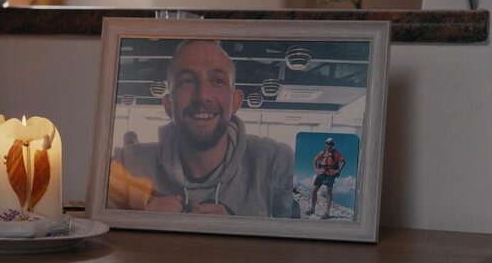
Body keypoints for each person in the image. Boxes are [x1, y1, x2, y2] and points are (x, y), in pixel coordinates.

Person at [108, 40, 296, 217]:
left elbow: (303, 234)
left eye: (217, 81)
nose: (203, 95)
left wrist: (236, 232)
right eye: (187, 81)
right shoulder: (126, 166)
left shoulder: (276, 162)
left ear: (235, 102)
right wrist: (141, 226)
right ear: (168, 105)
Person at [305, 137, 346, 219]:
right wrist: (316, 169)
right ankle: (312, 209)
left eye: (331, 144)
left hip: (330, 174)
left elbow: (344, 162)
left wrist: (338, 171)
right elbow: (315, 160)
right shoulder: (322, 153)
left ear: (333, 145)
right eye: (328, 143)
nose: (329, 145)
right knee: (314, 191)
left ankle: (327, 212)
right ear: (325, 144)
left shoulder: (336, 153)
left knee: (329, 193)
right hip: (321, 173)